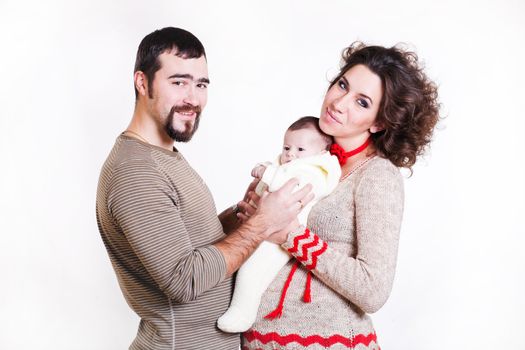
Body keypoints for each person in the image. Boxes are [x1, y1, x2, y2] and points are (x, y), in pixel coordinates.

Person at [95, 27, 313, 350]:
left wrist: (240, 216)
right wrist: (261, 224)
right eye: (179, 82)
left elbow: (188, 244)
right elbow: (185, 280)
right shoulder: (135, 172)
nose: (193, 99)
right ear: (142, 83)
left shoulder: (163, 156)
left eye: (201, 85)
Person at [242, 42, 440, 349]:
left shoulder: (377, 176)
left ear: (379, 122)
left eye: (362, 102)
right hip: (260, 339)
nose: (339, 103)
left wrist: (292, 235)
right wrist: (251, 217)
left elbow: (373, 289)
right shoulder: (304, 155)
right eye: (342, 85)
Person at [217, 116, 341, 333]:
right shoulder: (288, 165)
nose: (291, 154)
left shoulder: (317, 171)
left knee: (252, 270)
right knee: (237, 259)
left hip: (280, 238)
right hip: (264, 226)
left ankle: (242, 312)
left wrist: (267, 173)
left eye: (300, 149)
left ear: (322, 152)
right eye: (287, 147)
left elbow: (291, 184)